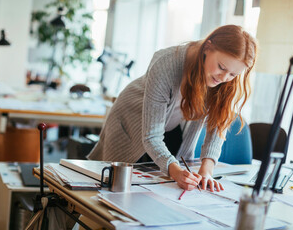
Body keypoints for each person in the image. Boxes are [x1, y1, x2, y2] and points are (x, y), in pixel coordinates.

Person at [87, 25, 258, 192]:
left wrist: (207, 170)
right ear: (207, 47)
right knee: (114, 188)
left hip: (169, 124)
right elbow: (151, 136)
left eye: (233, 74)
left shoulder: (227, 78)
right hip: (131, 119)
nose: (224, 77)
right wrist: (175, 171)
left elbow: (217, 124)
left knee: (163, 186)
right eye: (221, 67)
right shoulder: (167, 63)